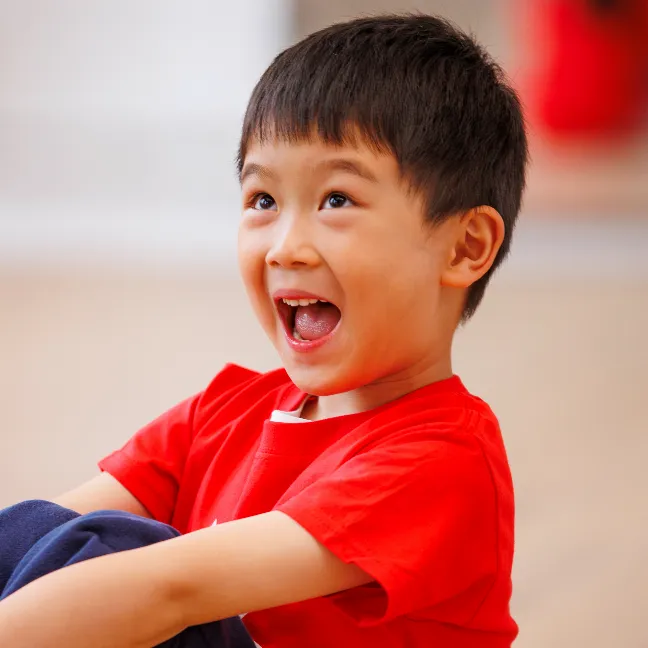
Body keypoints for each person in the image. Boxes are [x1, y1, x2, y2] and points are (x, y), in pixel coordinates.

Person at [0, 13, 528, 648]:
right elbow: (44, 535)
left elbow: (167, 588)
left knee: (119, 561)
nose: (285, 248)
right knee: (47, 535)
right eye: (262, 201)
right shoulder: (223, 413)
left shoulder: (442, 462)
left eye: (337, 200)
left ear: (465, 247)